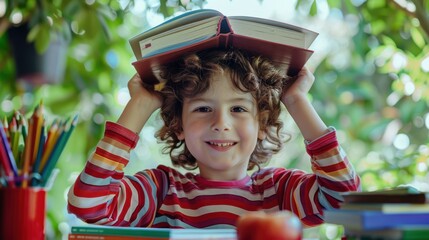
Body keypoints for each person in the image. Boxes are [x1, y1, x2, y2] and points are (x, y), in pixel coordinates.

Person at [67, 49, 360, 228]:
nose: (221, 123)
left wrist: (296, 101)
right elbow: (87, 203)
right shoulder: (161, 192)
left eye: (238, 109)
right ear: (178, 125)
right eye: (203, 108)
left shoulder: (279, 192)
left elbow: (344, 200)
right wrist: (139, 106)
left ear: (262, 123)